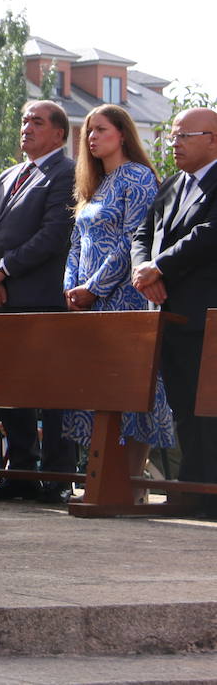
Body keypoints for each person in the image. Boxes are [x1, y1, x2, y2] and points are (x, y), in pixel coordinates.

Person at [59, 105, 172, 496]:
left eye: (100, 130)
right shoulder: (94, 185)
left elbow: (132, 242)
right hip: (88, 306)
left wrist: (94, 287)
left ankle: (131, 484)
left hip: (123, 299)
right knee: (95, 391)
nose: (91, 137)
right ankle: (102, 481)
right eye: (88, 131)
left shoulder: (137, 178)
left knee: (128, 390)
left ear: (122, 134)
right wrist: (72, 286)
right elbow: (76, 243)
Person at [0, 100, 77, 503]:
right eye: (23, 121)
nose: (26, 128)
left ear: (59, 133)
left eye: (36, 122)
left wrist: (4, 271)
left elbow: (53, 235)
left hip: (42, 300)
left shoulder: (67, 173)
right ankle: (20, 473)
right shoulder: (9, 174)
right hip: (0, 300)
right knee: (11, 389)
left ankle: (56, 475)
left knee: (50, 392)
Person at [132, 107, 217, 513]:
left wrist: (159, 266)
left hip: (207, 317)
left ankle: (209, 494)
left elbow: (208, 234)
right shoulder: (171, 185)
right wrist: (142, 269)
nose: (174, 143)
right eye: (173, 136)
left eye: (184, 136)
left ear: (213, 139)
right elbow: (142, 234)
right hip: (168, 314)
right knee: (184, 408)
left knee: (210, 410)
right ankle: (194, 492)